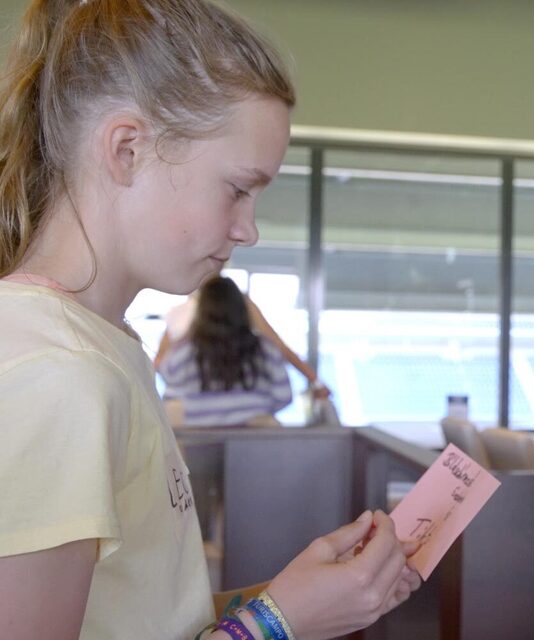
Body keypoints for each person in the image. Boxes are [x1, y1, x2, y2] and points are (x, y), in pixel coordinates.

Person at [0, 1, 420, 639]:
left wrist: (290, 598)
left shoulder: (106, 350)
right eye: (237, 189)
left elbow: (137, 617)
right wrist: (279, 624)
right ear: (128, 149)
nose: (248, 229)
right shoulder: (60, 373)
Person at [158, 275, 294, 427]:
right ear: (242, 310)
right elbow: (284, 396)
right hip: (253, 437)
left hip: (196, 440)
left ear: (201, 312)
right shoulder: (266, 349)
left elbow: (170, 394)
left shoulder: (184, 352)